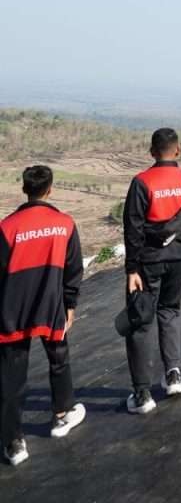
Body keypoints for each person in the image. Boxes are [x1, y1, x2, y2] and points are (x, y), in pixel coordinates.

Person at [0, 165, 85, 467]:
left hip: (12, 312)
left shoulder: (7, 227)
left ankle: (13, 443)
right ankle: (61, 417)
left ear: (25, 189)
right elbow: (74, 269)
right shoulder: (64, 223)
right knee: (59, 360)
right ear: (50, 189)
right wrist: (70, 305)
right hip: (52, 307)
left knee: (12, 378)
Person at [123, 128, 181, 415]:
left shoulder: (142, 182)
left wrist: (132, 268)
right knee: (170, 312)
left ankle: (142, 394)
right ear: (177, 150)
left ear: (152, 151)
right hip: (177, 260)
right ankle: (173, 375)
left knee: (140, 321)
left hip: (147, 264)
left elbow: (133, 228)